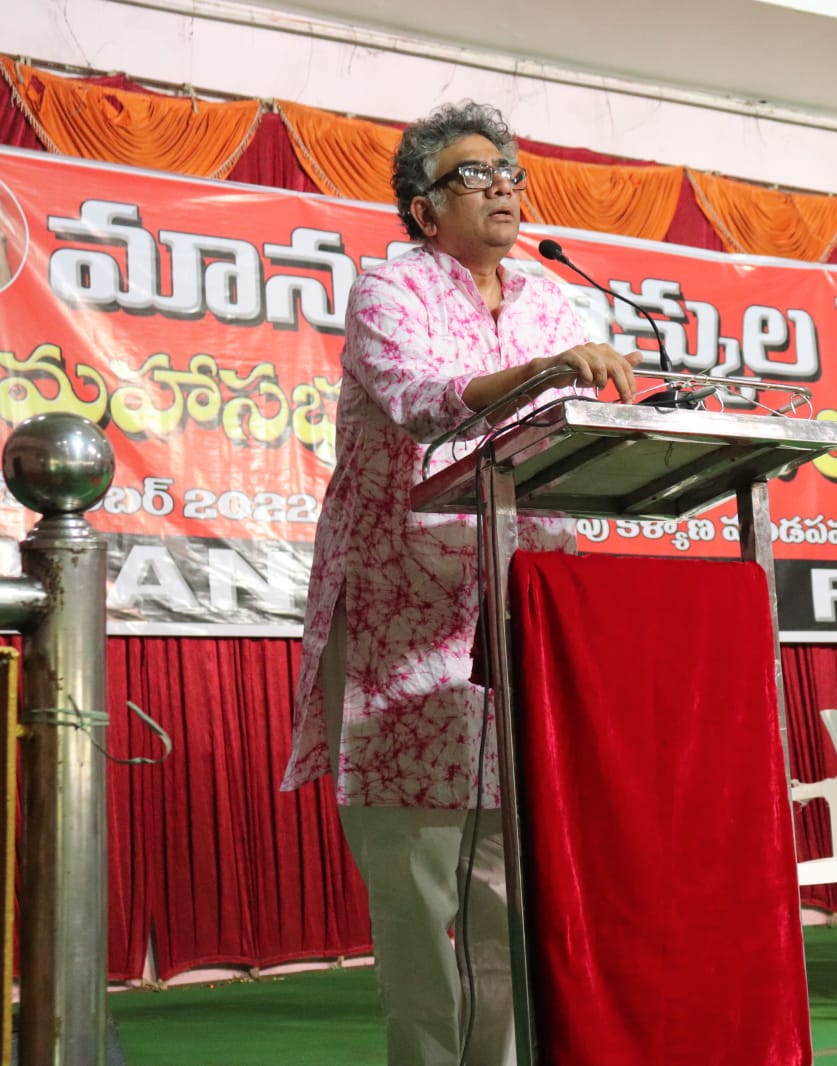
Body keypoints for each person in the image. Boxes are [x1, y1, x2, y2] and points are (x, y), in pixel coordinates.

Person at [279, 100, 641, 1066]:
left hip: (516, 609)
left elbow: (568, 439)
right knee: (415, 887)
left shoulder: (551, 300)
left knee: (505, 887)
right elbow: (421, 402)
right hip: (401, 622)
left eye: (511, 173)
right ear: (424, 207)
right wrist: (545, 370)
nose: (504, 189)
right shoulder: (387, 292)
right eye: (476, 175)